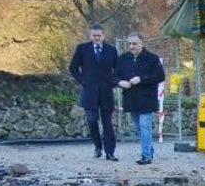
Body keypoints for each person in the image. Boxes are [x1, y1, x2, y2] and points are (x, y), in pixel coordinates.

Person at [68, 23, 120, 160]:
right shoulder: (82, 49)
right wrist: (82, 80)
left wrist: (115, 82)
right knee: (91, 120)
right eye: (94, 35)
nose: (97, 38)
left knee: (107, 123)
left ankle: (110, 152)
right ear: (90, 36)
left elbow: (118, 70)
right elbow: (73, 67)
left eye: (99, 35)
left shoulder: (111, 50)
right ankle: (98, 146)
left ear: (103, 36)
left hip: (106, 92)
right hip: (89, 92)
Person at [115, 32, 166, 165]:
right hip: (131, 99)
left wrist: (141, 79)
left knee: (144, 126)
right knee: (139, 127)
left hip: (147, 99)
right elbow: (114, 76)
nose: (132, 46)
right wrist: (120, 82)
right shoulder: (123, 59)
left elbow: (160, 76)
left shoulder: (152, 58)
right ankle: (149, 149)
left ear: (142, 43)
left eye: (135, 43)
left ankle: (146, 156)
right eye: (129, 44)